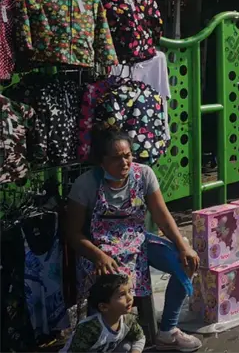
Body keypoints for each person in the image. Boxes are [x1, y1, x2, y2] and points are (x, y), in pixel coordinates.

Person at [66, 128, 202, 352]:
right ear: (101, 160)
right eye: (116, 158)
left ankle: (168, 330)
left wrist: (182, 246)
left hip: (138, 241)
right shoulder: (85, 184)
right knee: (113, 282)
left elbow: (163, 217)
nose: (124, 163)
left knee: (184, 262)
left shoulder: (144, 174)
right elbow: (73, 234)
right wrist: (98, 255)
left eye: (127, 155)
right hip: (101, 249)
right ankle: (107, 338)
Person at [61, 274, 145, 353]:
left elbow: (139, 338)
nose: (130, 298)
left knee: (126, 347)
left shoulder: (128, 320)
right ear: (104, 307)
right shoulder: (89, 329)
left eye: (129, 291)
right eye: (121, 295)